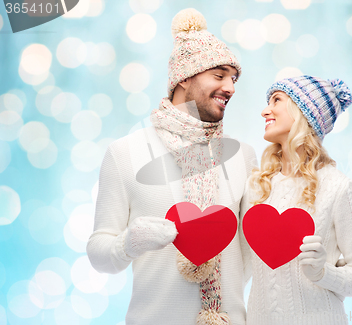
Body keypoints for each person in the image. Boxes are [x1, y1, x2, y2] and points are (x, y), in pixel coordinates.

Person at [87, 8, 256, 325]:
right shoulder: (125, 152)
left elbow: (254, 256)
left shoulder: (243, 156)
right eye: (218, 76)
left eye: (233, 79)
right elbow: (99, 254)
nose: (231, 88)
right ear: (184, 79)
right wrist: (128, 244)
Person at [241, 75, 352, 325]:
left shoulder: (338, 187)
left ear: (303, 112)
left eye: (276, 100)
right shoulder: (256, 187)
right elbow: (241, 268)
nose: (264, 110)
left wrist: (323, 273)